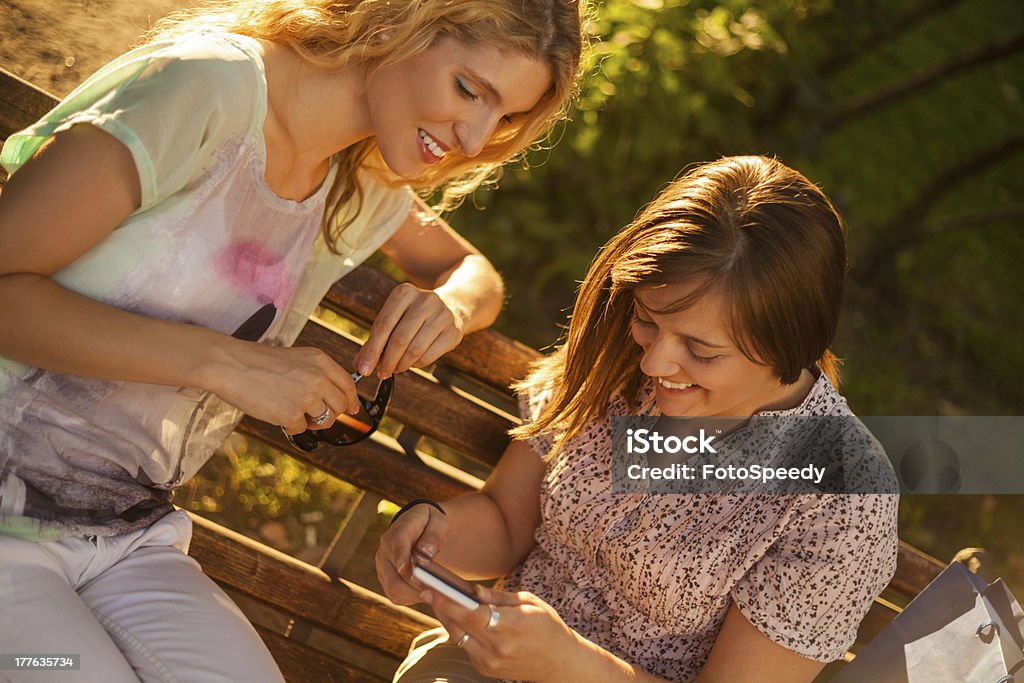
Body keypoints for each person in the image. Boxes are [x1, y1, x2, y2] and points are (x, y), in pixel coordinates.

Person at [0, 0, 586, 680]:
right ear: (397, 20)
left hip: (127, 537)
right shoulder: (205, 87)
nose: (477, 134)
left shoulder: (357, 177)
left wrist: (450, 308)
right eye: (469, 89)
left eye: (506, 116)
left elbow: (471, 272)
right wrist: (226, 364)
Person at [377, 155, 899, 683]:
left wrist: (571, 666)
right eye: (648, 321)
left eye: (702, 351)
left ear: (793, 343)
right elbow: (509, 520)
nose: (654, 364)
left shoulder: (842, 499)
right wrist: (435, 535)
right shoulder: (619, 358)